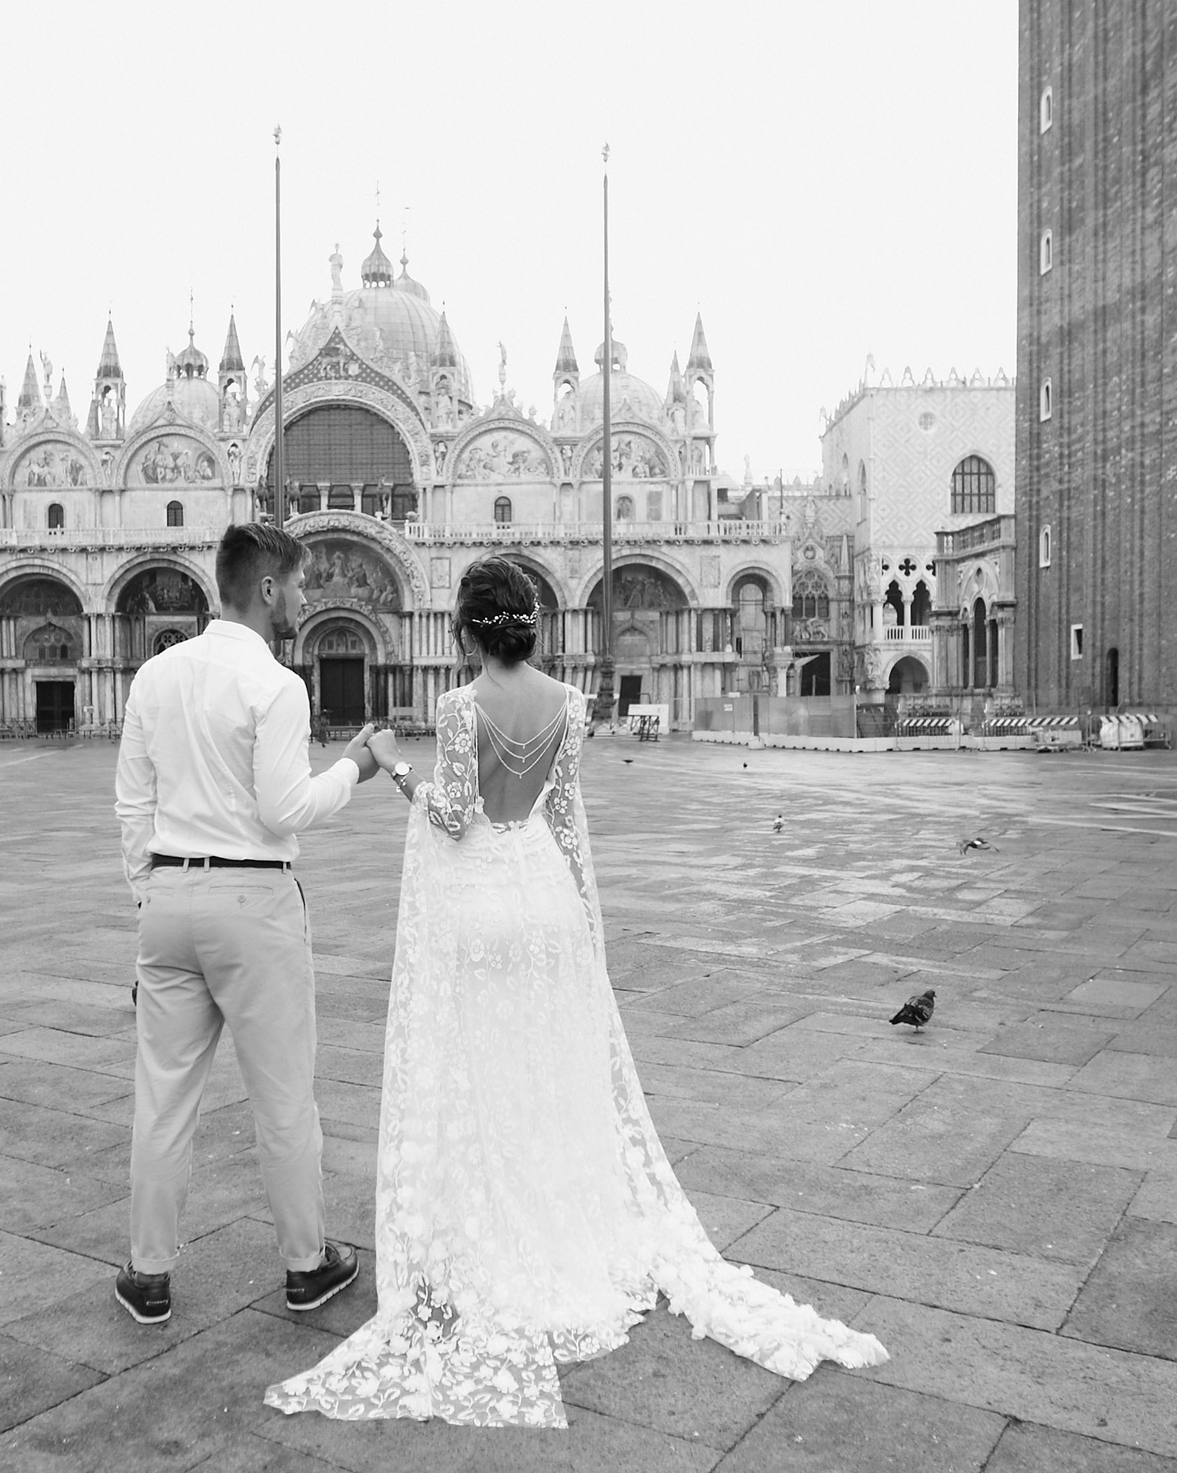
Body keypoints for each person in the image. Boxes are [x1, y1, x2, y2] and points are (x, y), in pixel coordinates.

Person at [267, 556, 887, 1427]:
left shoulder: (456, 708)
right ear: (528, 625)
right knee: (548, 1074)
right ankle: (558, 1226)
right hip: (548, 903)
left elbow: (450, 817)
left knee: (487, 1075)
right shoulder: (570, 706)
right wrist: (583, 923)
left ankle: (501, 1226)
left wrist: (392, 770)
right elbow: (562, 819)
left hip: (481, 908)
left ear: (466, 630)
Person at [112, 521, 378, 1326]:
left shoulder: (154, 676)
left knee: (161, 1100)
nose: (305, 598)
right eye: (298, 585)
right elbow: (284, 807)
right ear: (267, 589)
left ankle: (147, 1275)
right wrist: (354, 769)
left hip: (166, 900)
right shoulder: (277, 684)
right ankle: (306, 1265)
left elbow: (132, 804)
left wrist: (147, 898)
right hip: (254, 903)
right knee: (284, 1097)